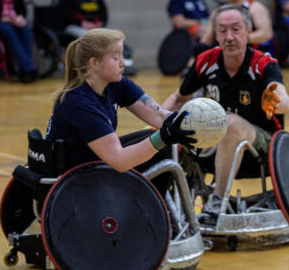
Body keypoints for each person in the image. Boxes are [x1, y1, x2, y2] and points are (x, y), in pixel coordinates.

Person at [163, 5, 289, 222]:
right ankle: (168, 207)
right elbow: (178, 98)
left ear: (249, 32)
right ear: (216, 34)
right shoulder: (206, 61)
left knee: (229, 123)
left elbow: (283, 97)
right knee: (175, 133)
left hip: (263, 148)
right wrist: (160, 126)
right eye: (222, 31)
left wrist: (276, 99)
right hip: (218, 147)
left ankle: (216, 202)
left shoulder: (263, 64)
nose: (229, 37)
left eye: (236, 29)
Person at [45, 28, 196, 174]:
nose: (123, 63)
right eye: (116, 57)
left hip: (96, 161)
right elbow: (120, 161)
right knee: (160, 143)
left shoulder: (115, 82)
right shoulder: (79, 103)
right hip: (75, 177)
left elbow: (159, 115)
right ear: (94, 63)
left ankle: (153, 199)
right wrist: (163, 137)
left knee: (160, 143)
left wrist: (190, 124)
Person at [58, 0, 137, 76]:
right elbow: (64, 12)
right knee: (89, 37)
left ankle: (122, 63)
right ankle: (95, 66)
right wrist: (83, 23)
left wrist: (101, 23)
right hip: (74, 26)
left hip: (95, 27)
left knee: (113, 37)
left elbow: (104, 11)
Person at [199, 0, 273, 50]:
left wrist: (236, 39)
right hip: (222, 57)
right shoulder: (218, 10)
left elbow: (266, 33)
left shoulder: (255, 7)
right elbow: (206, 39)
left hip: (249, 56)